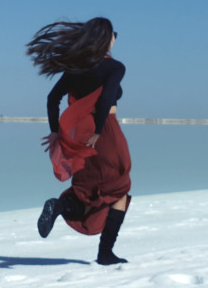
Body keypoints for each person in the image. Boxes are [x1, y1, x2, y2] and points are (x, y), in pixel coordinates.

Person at [26, 17, 131, 265]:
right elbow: (105, 101)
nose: (116, 37)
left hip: (79, 135)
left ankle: (60, 206)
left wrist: (55, 132)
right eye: (114, 33)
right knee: (119, 188)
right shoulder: (115, 68)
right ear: (105, 39)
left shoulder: (75, 67)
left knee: (87, 188)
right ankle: (105, 253)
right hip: (104, 131)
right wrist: (97, 130)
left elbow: (52, 99)